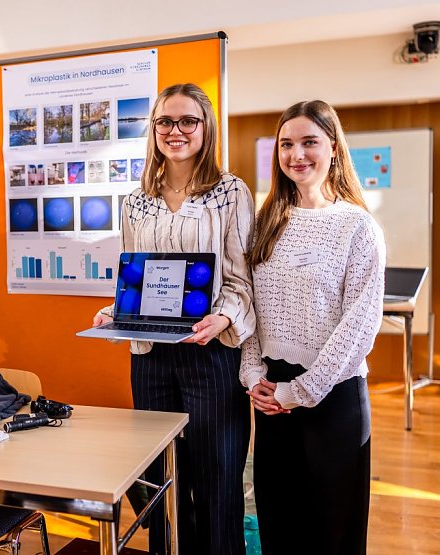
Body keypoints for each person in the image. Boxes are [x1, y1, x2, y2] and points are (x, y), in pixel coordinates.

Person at [92, 83, 255, 555]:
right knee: (162, 480)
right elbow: (136, 276)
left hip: (210, 355)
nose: (176, 131)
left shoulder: (230, 192)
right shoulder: (136, 199)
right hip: (150, 357)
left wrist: (221, 319)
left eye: (188, 121)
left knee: (216, 478)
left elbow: (243, 280)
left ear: (205, 128)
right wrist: (117, 311)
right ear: (154, 129)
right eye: (166, 121)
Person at [241, 100, 385, 555]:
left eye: (309, 142)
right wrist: (252, 376)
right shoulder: (265, 223)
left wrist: (299, 392)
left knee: (333, 535)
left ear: (334, 149)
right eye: (286, 144)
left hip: (333, 398)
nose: (295, 154)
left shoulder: (357, 226)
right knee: (280, 526)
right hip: (271, 398)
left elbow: (360, 323)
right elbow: (251, 307)